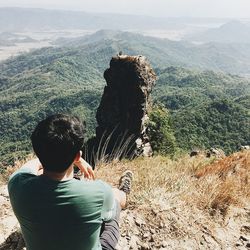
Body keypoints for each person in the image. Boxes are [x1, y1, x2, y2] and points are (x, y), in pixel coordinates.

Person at [8, 114, 133, 250]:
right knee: (114, 203)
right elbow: (105, 213)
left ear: (38, 152)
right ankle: (124, 191)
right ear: (78, 155)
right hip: (99, 209)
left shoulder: (17, 185)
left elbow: (29, 167)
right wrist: (76, 159)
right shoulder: (100, 192)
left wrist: (49, 156)